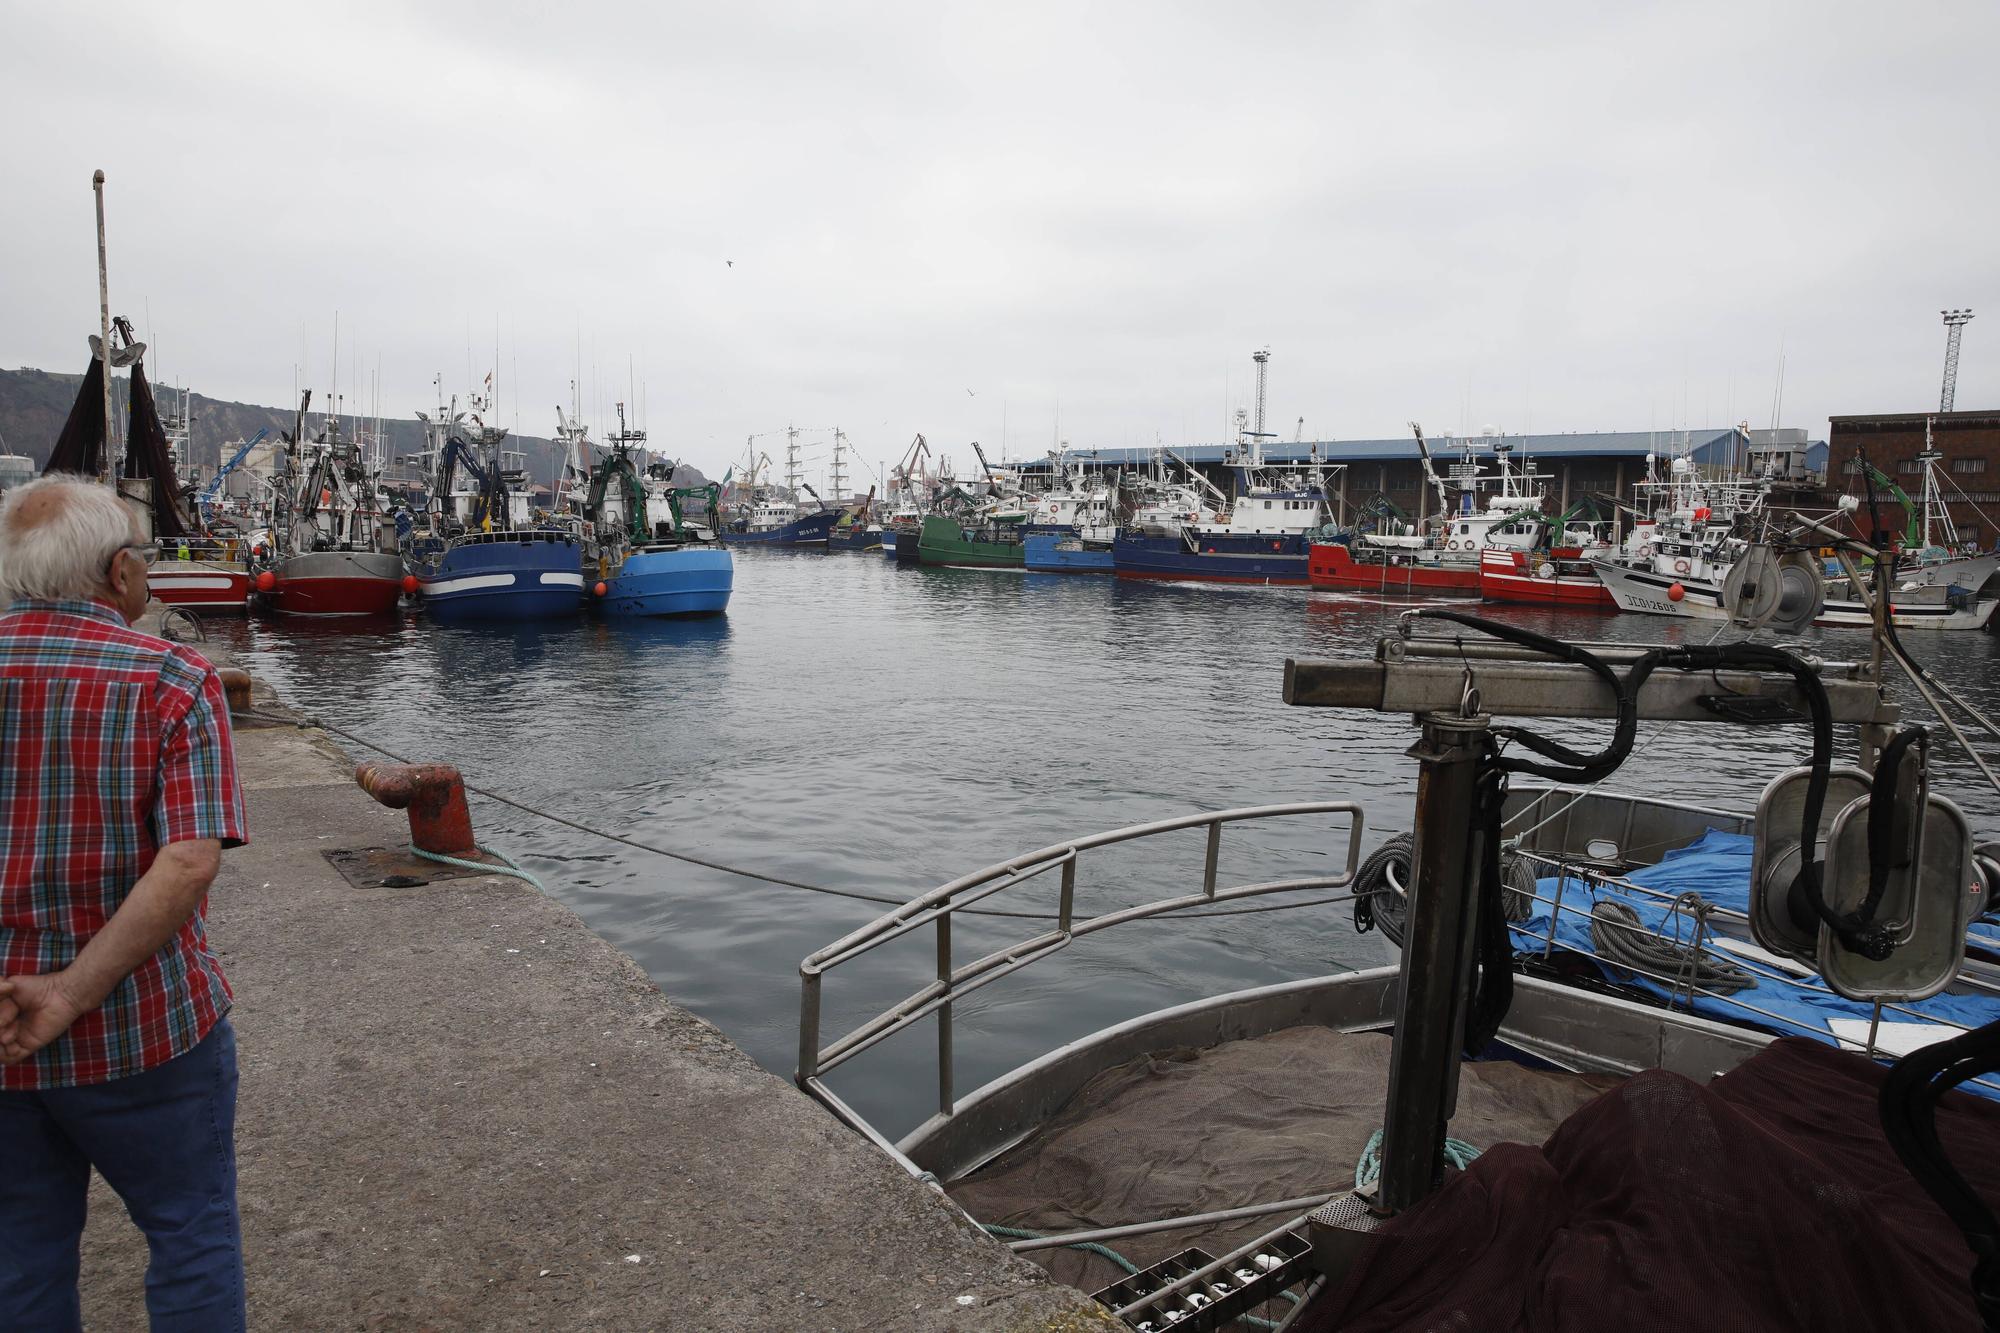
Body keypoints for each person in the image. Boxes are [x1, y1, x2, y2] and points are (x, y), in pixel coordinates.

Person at [0, 474, 249, 1331]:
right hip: (145, 1031)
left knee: (18, 1253)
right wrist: (68, 993)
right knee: (189, 1233)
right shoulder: (171, 677)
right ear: (117, 573)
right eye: (142, 559)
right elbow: (186, 863)